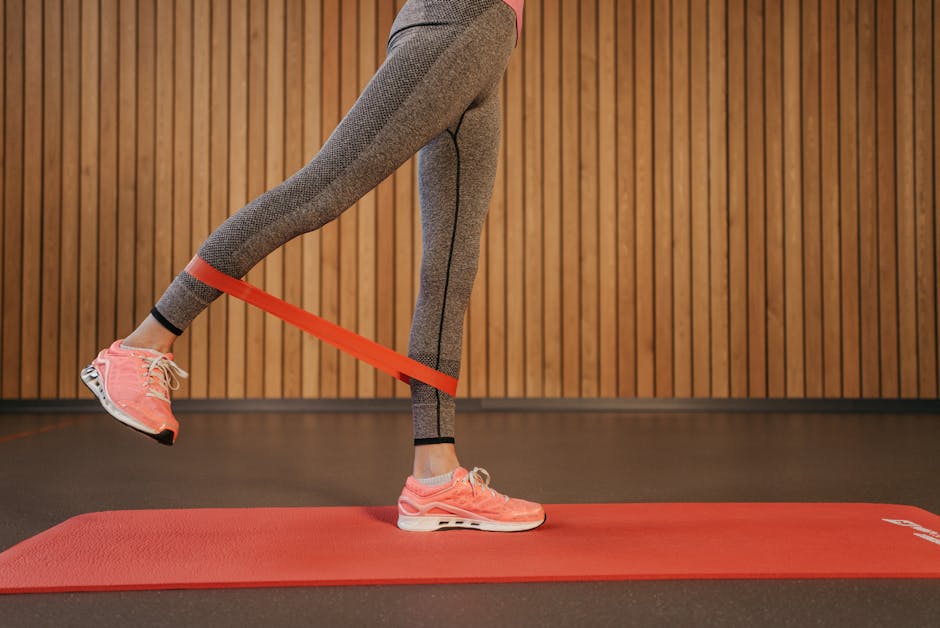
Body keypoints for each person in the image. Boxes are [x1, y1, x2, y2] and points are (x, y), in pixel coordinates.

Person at [81, 0, 544, 533]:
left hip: (494, 36)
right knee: (322, 188)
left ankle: (434, 477)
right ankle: (142, 345)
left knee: (452, 266)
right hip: (459, 16)